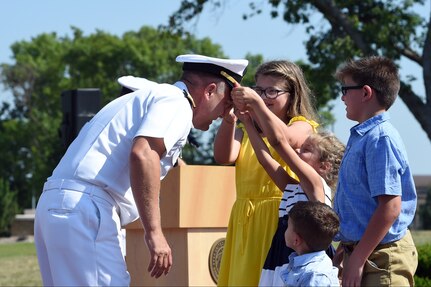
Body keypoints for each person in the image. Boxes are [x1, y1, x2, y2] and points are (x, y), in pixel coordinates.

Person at [33, 54, 248, 286]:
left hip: (57, 204)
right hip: (86, 208)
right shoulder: (177, 103)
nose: (223, 115)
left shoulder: (145, 98)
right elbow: (144, 154)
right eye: (226, 104)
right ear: (209, 90)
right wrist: (154, 232)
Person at [215, 60, 319, 286]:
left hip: (279, 219)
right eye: (259, 90)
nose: (264, 96)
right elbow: (224, 156)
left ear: (292, 94)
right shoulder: (248, 129)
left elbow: (286, 139)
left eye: (272, 91)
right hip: (244, 218)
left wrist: (257, 107)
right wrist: (230, 117)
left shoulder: (302, 125)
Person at [233, 100, 344, 286]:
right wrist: (247, 123)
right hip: (283, 259)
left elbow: (278, 143)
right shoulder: (296, 187)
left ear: (324, 166)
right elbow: (266, 161)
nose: (298, 151)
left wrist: (257, 104)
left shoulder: (316, 185)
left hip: (304, 265)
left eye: (307, 150)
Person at [333, 56, 418, 286]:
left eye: (345, 89)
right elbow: (361, 205)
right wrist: (347, 245)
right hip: (367, 251)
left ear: (366, 93)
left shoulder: (380, 138)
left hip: (383, 257)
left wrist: (358, 257)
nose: (342, 97)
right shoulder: (364, 137)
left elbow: (390, 206)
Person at [279, 201, 340, 287]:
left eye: (288, 226)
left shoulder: (315, 277)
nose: (285, 229)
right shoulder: (305, 264)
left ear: (296, 240)